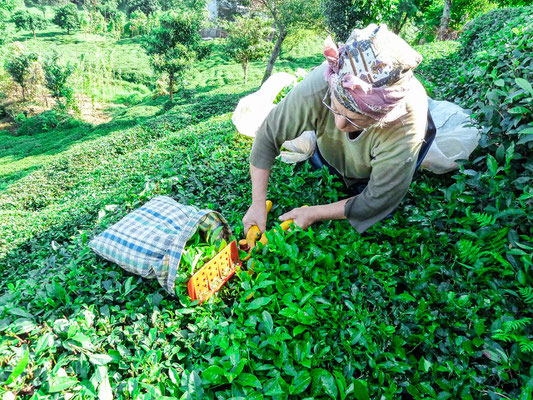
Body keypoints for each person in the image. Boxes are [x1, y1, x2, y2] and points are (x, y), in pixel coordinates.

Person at [242, 24, 435, 235]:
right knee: (322, 160)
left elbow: (378, 200)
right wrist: (257, 203)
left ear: (382, 117)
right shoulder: (319, 84)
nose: (340, 126)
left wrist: (315, 212)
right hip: (330, 155)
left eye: (354, 119)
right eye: (334, 108)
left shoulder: (405, 125)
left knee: (380, 207)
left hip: (376, 165)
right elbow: (268, 134)